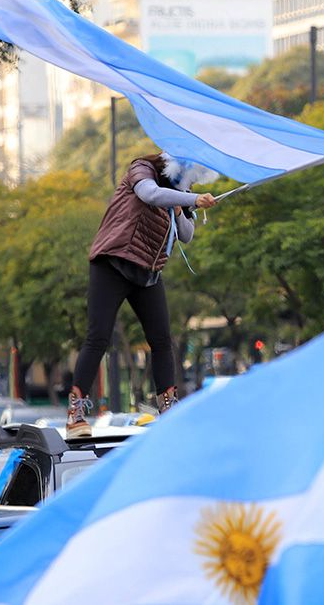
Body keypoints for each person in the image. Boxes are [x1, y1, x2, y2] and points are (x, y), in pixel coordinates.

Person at [68, 153, 218, 438]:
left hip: (147, 273)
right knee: (98, 337)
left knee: (162, 341)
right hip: (113, 262)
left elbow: (186, 234)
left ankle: (168, 409)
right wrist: (188, 200)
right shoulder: (142, 169)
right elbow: (149, 194)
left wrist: (182, 202)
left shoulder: (180, 193)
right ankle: (76, 413)